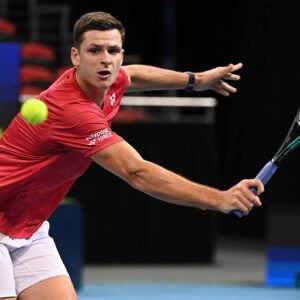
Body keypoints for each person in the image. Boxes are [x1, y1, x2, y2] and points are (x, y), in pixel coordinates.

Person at [0, 11, 264, 300]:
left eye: (113, 51)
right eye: (94, 50)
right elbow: (135, 171)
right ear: (75, 56)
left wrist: (195, 79)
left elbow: (134, 75)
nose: (106, 59)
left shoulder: (106, 78)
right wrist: (219, 198)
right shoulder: (72, 111)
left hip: (27, 225)